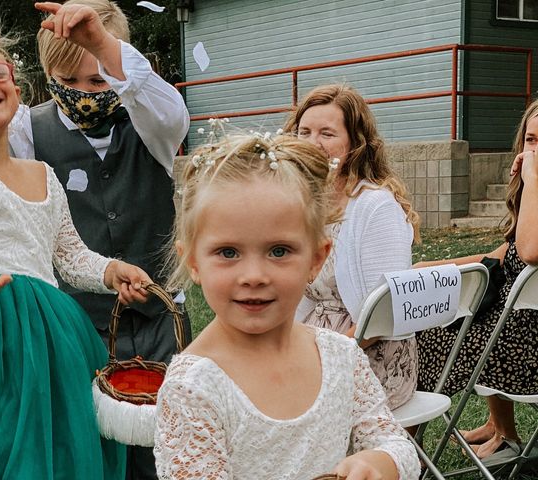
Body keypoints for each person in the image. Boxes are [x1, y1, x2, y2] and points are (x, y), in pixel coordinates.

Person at [0, 4, 191, 477]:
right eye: (68, 81)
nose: (85, 94)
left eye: (98, 81)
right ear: (46, 74)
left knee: (166, 444)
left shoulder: (151, 125)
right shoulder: (28, 130)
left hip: (159, 319)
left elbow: (169, 107)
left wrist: (102, 44)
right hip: (78, 325)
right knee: (85, 445)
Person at [154, 133, 420, 479]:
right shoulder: (193, 388)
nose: (254, 276)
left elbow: (393, 439)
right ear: (192, 261)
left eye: (279, 251)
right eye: (228, 253)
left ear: (316, 258)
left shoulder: (341, 356)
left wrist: (381, 461)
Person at [284, 84, 420, 410]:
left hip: (368, 357)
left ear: (355, 143)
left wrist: (319, 362)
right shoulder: (301, 204)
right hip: (309, 345)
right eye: (304, 132)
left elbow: (383, 315)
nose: (313, 143)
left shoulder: (375, 205)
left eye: (327, 134)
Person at [416, 99, 538, 459]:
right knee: (475, 308)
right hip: (517, 329)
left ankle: (409, 444)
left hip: (527, 352)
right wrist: (440, 266)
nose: (535, 150)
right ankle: (498, 427)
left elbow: (530, 251)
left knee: (445, 328)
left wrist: (532, 179)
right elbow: (507, 251)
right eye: (531, 140)